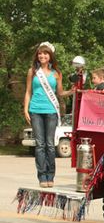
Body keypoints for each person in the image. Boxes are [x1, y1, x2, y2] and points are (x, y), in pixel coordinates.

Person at [23, 42, 73, 188]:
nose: (42, 56)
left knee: (50, 145)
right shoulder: (32, 71)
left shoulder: (56, 73)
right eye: (40, 53)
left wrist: (71, 91)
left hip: (51, 111)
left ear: (50, 56)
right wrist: (26, 109)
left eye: (45, 53)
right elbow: (28, 91)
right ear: (37, 56)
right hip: (35, 110)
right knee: (40, 145)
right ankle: (42, 177)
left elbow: (60, 93)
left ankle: (50, 176)